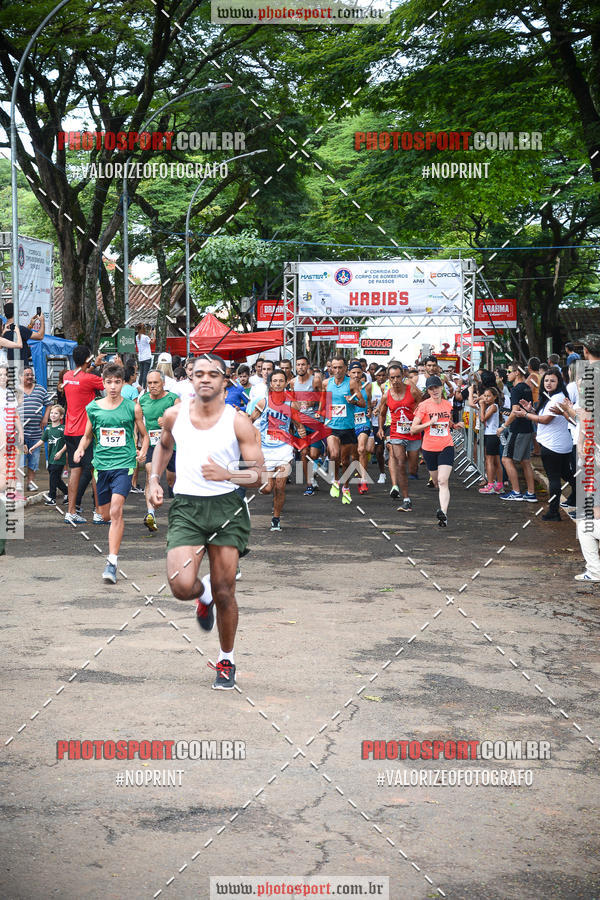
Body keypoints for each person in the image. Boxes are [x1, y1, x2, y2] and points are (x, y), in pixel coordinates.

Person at [148, 354, 262, 690]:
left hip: (228, 508)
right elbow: (163, 448)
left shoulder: (238, 421)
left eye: (214, 374)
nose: (206, 379)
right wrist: (154, 479)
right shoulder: (174, 415)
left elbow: (261, 475)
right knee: (181, 586)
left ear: (224, 381)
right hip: (186, 507)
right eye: (199, 373)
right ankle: (203, 592)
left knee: (227, 591)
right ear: (189, 378)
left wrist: (228, 473)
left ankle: (226, 659)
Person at [74, 362, 148, 583]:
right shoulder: (94, 408)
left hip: (124, 465)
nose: (113, 386)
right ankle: (112, 555)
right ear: (103, 383)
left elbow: (144, 435)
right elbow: (88, 436)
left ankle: (112, 562)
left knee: (117, 510)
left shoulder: (132, 407)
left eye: (118, 382)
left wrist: (142, 451)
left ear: (123, 383)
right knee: (105, 515)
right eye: (109, 382)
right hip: (101, 467)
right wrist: (80, 448)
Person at [514, 367, 575, 521]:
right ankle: (577, 497)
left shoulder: (557, 398)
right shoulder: (551, 397)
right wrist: (532, 410)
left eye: (552, 380)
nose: (548, 383)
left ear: (559, 382)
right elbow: (543, 417)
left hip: (553, 445)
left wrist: (526, 414)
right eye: (546, 380)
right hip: (558, 443)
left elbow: (547, 420)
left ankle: (554, 511)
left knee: (554, 478)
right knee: (565, 474)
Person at [249, 369, 305, 530]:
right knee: (267, 489)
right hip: (266, 449)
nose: (278, 384)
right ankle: (266, 488)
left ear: (285, 382)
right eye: (275, 381)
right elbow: (251, 419)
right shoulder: (263, 402)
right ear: (270, 384)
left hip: (284, 448)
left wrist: (301, 430)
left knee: (280, 486)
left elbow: (298, 423)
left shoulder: (291, 403)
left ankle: (276, 518)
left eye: (281, 380)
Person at [410, 375, 463, 526]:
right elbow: (413, 429)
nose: (434, 390)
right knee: (435, 481)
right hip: (429, 449)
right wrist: (429, 423)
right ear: (428, 390)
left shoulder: (447, 404)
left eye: (437, 387)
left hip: (446, 446)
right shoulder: (424, 406)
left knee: (443, 480)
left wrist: (453, 425)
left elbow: (446, 420)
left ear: (441, 388)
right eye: (431, 388)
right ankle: (442, 507)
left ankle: (443, 514)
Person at [63, 345, 106, 525]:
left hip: (69, 430)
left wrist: (91, 365)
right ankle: (98, 512)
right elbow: (108, 384)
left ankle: (71, 511)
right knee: (94, 470)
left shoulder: (66, 376)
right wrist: (98, 366)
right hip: (85, 433)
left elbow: (79, 375)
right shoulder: (90, 379)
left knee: (75, 471)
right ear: (88, 360)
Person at [138, 370, 179, 533]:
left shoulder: (173, 399)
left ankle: (178, 513)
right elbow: (137, 422)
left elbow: (184, 420)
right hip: (153, 445)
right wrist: (139, 443)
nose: (152, 386)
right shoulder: (144, 400)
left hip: (172, 445)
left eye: (155, 383)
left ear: (163, 383)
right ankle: (151, 515)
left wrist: (169, 422)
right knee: (150, 475)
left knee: (171, 481)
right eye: (149, 383)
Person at [320, 356, 365, 504]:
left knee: (346, 461)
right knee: (334, 455)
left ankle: (345, 487)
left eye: (340, 367)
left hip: (348, 427)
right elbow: (323, 401)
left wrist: (354, 401)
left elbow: (363, 403)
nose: (337, 371)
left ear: (345, 368)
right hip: (332, 426)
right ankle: (335, 480)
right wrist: (320, 413)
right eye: (334, 367)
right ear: (330, 368)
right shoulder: (326, 383)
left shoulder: (351, 383)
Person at [379, 363, 422, 510]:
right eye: (392, 378)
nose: (396, 380)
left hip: (413, 432)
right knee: (400, 462)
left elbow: (421, 404)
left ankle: (409, 482)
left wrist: (418, 419)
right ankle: (406, 499)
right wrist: (380, 428)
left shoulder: (412, 391)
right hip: (396, 432)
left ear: (402, 376)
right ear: (388, 378)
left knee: (412, 467)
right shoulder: (387, 395)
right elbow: (382, 413)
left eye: (398, 377)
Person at [496, 362, 538, 502]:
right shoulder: (526, 387)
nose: (507, 374)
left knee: (506, 459)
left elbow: (514, 411)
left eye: (509, 371)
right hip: (527, 428)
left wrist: (504, 426)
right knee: (525, 461)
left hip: (518, 429)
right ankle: (530, 493)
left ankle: (516, 491)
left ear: (517, 372)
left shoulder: (515, 389)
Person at [289, 356, 323, 495]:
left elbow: (323, 397)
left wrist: (316, 406)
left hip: (314, 421)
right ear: (295, 367)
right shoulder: (292, 382)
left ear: (308, 366)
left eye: (303, 365)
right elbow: (292, 402)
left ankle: (315, 468)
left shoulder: (315, 380)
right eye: (298, 365)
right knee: (303, 453)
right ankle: (309, 484)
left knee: (313, 454)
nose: (301, 367)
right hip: (301, 422)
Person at [27, 404, 68, 506]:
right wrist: (34, 447)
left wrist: (60, 452)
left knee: (53, 477)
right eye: (52, 413)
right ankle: (68, 492)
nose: (53, 415)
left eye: (56, 413)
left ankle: (52, 498)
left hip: (59, 458)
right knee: (56, 478)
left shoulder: (63, 429)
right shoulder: (48, 428)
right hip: (51, 458)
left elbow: (68, 443)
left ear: (61, 416)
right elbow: (42, 440)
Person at [20, 366, 51, 491]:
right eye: (27, 375)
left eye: (31, 375)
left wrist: (45, 418)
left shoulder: (40, 389)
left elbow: (48, 404)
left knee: (34, 460)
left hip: (36, 433)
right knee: (20, 460)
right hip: (19, 433)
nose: (30, 377)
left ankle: (30, 482)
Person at [348, 361, 372, 494]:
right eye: (353, 373)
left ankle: (363, 480)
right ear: (349, 373)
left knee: (362, 449)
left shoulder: (366, 386)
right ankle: (359, 473)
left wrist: (370, 409)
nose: (356, 375)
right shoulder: (345, 386)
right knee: (354, 454)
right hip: (349, 423)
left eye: (359, 372)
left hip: (363, 421)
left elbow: (368, 404)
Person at [474, 387, 503, 494]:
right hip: (491, 435)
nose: (486, 398)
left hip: (491, 436)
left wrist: (481, 406)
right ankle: (499, 485)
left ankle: (491, 484)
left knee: (489, 461)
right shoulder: (491, 406)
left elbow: (483, 419)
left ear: (495, 397)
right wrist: (479, 399)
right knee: (495, 461)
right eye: (485, 396)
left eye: (489, 396)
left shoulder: (493, 407)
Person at [369, 366, 388, 484]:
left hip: (390, 421)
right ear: (375, 376)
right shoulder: (370, 386)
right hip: (376, 422)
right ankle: (382, 473)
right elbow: (366, 404)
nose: (381, 378)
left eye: (383, 375)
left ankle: (395, 471)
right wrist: (371, 406)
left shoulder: (390, 386)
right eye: (378, 375)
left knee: (392, 449)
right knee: (379, 450)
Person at [135, 324, 154, 388]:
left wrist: (149, 333)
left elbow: (146, 338)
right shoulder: (145, 337)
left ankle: (140, 386)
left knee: (141, 373)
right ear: (143, 329)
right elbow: (152, 342)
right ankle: (144, 388)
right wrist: (154, 334)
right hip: (147, 357)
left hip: (141, 358)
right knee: (145, 373)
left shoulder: (137, 337)